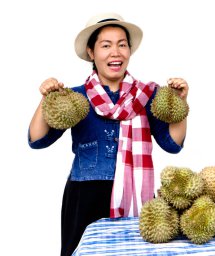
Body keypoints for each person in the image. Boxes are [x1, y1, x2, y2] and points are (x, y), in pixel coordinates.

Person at [28, 12, 188, 256]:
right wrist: (46, 98)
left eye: (122, 44)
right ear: (92, 53)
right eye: (106, 45)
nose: (116, 52)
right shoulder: (74, 98)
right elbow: (37, 140)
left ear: (129, 51)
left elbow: (173, 144)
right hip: (86, 198)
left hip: (137, 198)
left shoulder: (147, 96)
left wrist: (180, 104)